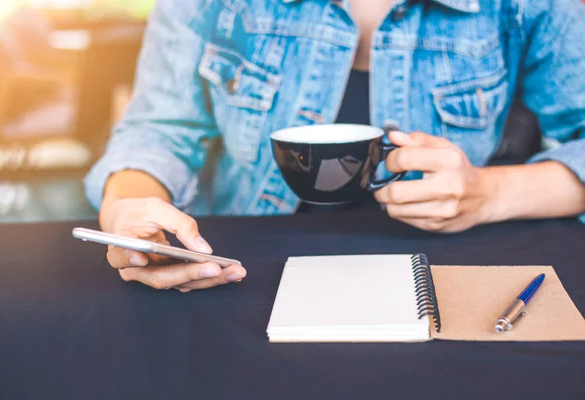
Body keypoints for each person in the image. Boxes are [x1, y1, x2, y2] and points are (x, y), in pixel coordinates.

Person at [84, 0, 585, 292]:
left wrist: (490, 193)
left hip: (439, 285)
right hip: (238, 274)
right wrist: (126, 209)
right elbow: (158, 129)